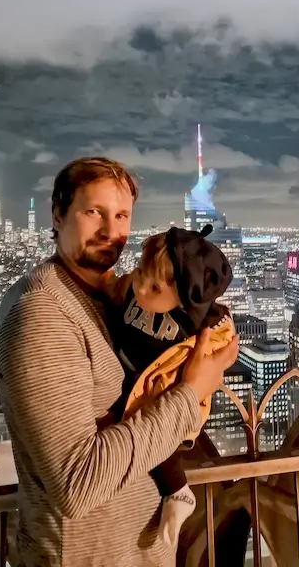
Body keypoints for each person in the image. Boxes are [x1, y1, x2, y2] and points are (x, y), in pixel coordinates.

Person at [0, 157, 239, 567]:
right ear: (58, 214)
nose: (110, 231)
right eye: (93, 212)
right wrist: (193, 389)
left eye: (121, 215)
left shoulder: (109, 297)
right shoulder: (42, 316)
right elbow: (78, 483)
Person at [105, 224, 235, 548]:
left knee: (157, 433)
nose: (142, 288)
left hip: (156, 386)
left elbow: (214, 344)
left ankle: (176, 490)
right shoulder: (132, 293)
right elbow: (117, 294)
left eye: (155, 288)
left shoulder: (192, 325)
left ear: (182, 299)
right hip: (126, 372)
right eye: (139, 274)